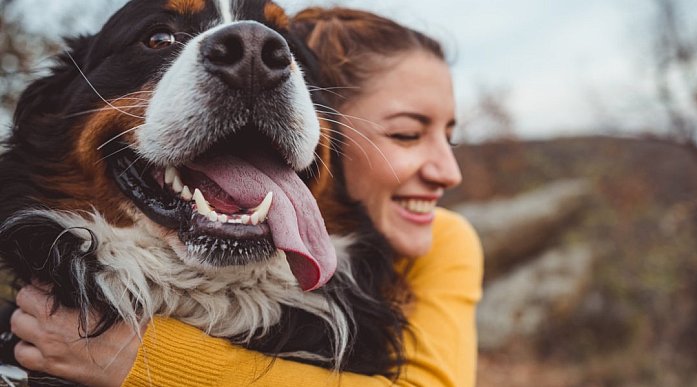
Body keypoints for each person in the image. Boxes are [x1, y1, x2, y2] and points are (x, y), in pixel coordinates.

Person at [10, 7, 483, 387]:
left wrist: (144, 362)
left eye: (283, 53)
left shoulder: (445, 241)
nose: (449, 172)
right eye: (157, 38)